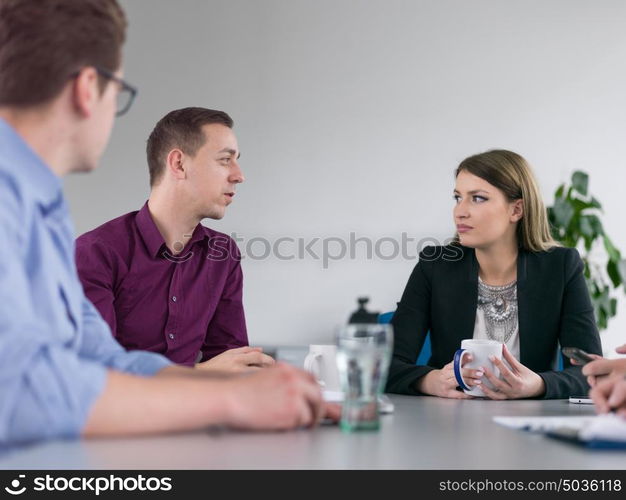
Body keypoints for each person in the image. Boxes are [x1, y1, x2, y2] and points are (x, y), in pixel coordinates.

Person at [0, 0, 337, 445]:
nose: (239, 175)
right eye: (116, 92)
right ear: (88, 88)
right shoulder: (30, 214)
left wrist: (256, 388)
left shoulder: (44, 211)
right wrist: (226, 399)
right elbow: (16, 393)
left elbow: (100, 359)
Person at [386, 149, 602, 400]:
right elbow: (385, 364)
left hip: (527, 421)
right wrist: (429, 381)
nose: (460, 211)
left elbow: (592, 371)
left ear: (516, 210)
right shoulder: (434, 265)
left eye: (477, 198)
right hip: (447, 419)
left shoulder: (561, 267)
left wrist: (538, 384)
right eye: (458, 198)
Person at [76, 107, 273, 373]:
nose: (239, 175)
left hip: (198, 413)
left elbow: (230, 362)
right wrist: (201, 374)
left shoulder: (223, 253)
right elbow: (94, 374)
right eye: (225, 160)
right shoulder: (95, 253)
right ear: (179, 164)